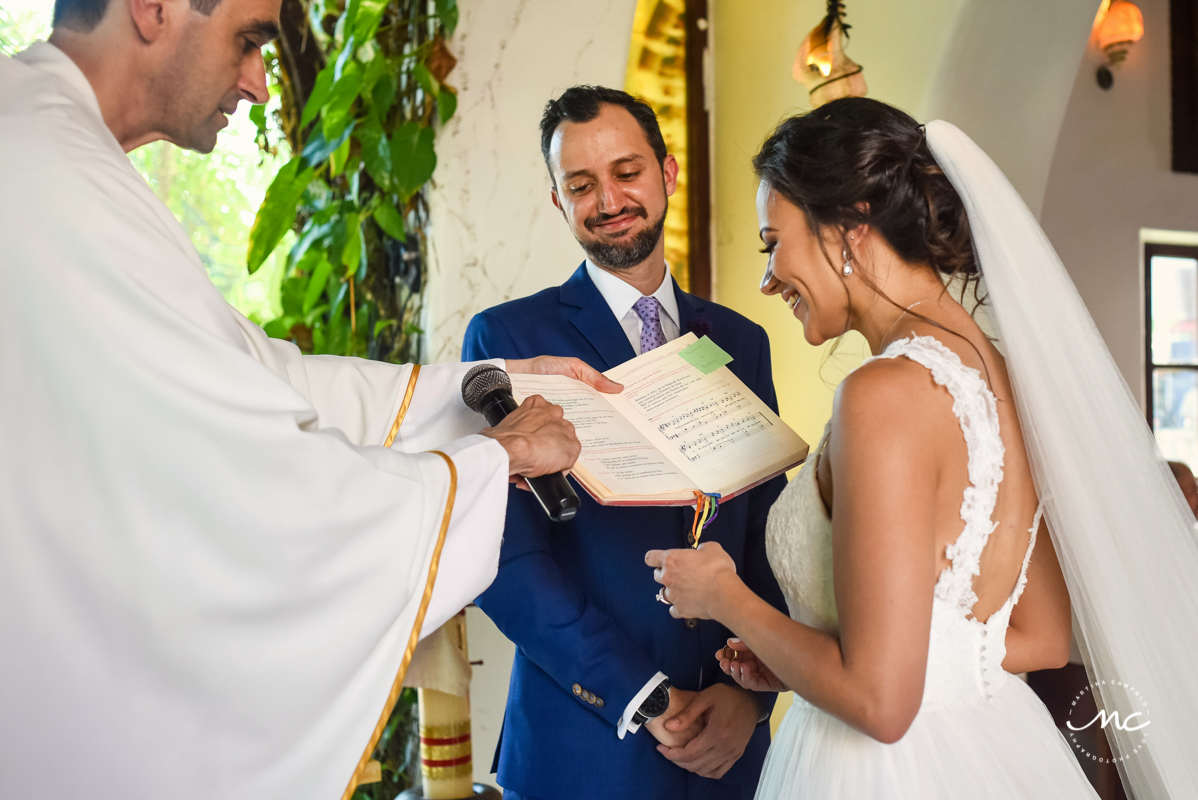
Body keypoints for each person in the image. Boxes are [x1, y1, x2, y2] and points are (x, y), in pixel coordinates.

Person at [0, 2, 619, 798]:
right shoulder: (53, 177)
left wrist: (474, 389)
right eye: (249, 39)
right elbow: (245, 475)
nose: (261, 82)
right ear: (153, 9)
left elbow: (252, 378)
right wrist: (492, 459)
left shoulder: (47, 143)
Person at [649, 98, 1198, 798]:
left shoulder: (885, 393)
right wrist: (801, 663)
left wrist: (725, 596)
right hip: (996, 751)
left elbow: (880, 704)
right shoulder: (997, 372)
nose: (766, 278)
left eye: (772, 242)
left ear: (849, 224)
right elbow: (1042, 634)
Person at [461, 85, 789, 800]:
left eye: (626, 172)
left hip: (734, 755)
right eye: (581, 184)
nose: (608, 199)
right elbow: (504, 557)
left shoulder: (740, 340)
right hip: (585, 751)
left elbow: (771, 534)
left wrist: (753, 696)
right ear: (557, 200)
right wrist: (646, 696)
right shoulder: (507, 340)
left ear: (667, 174)